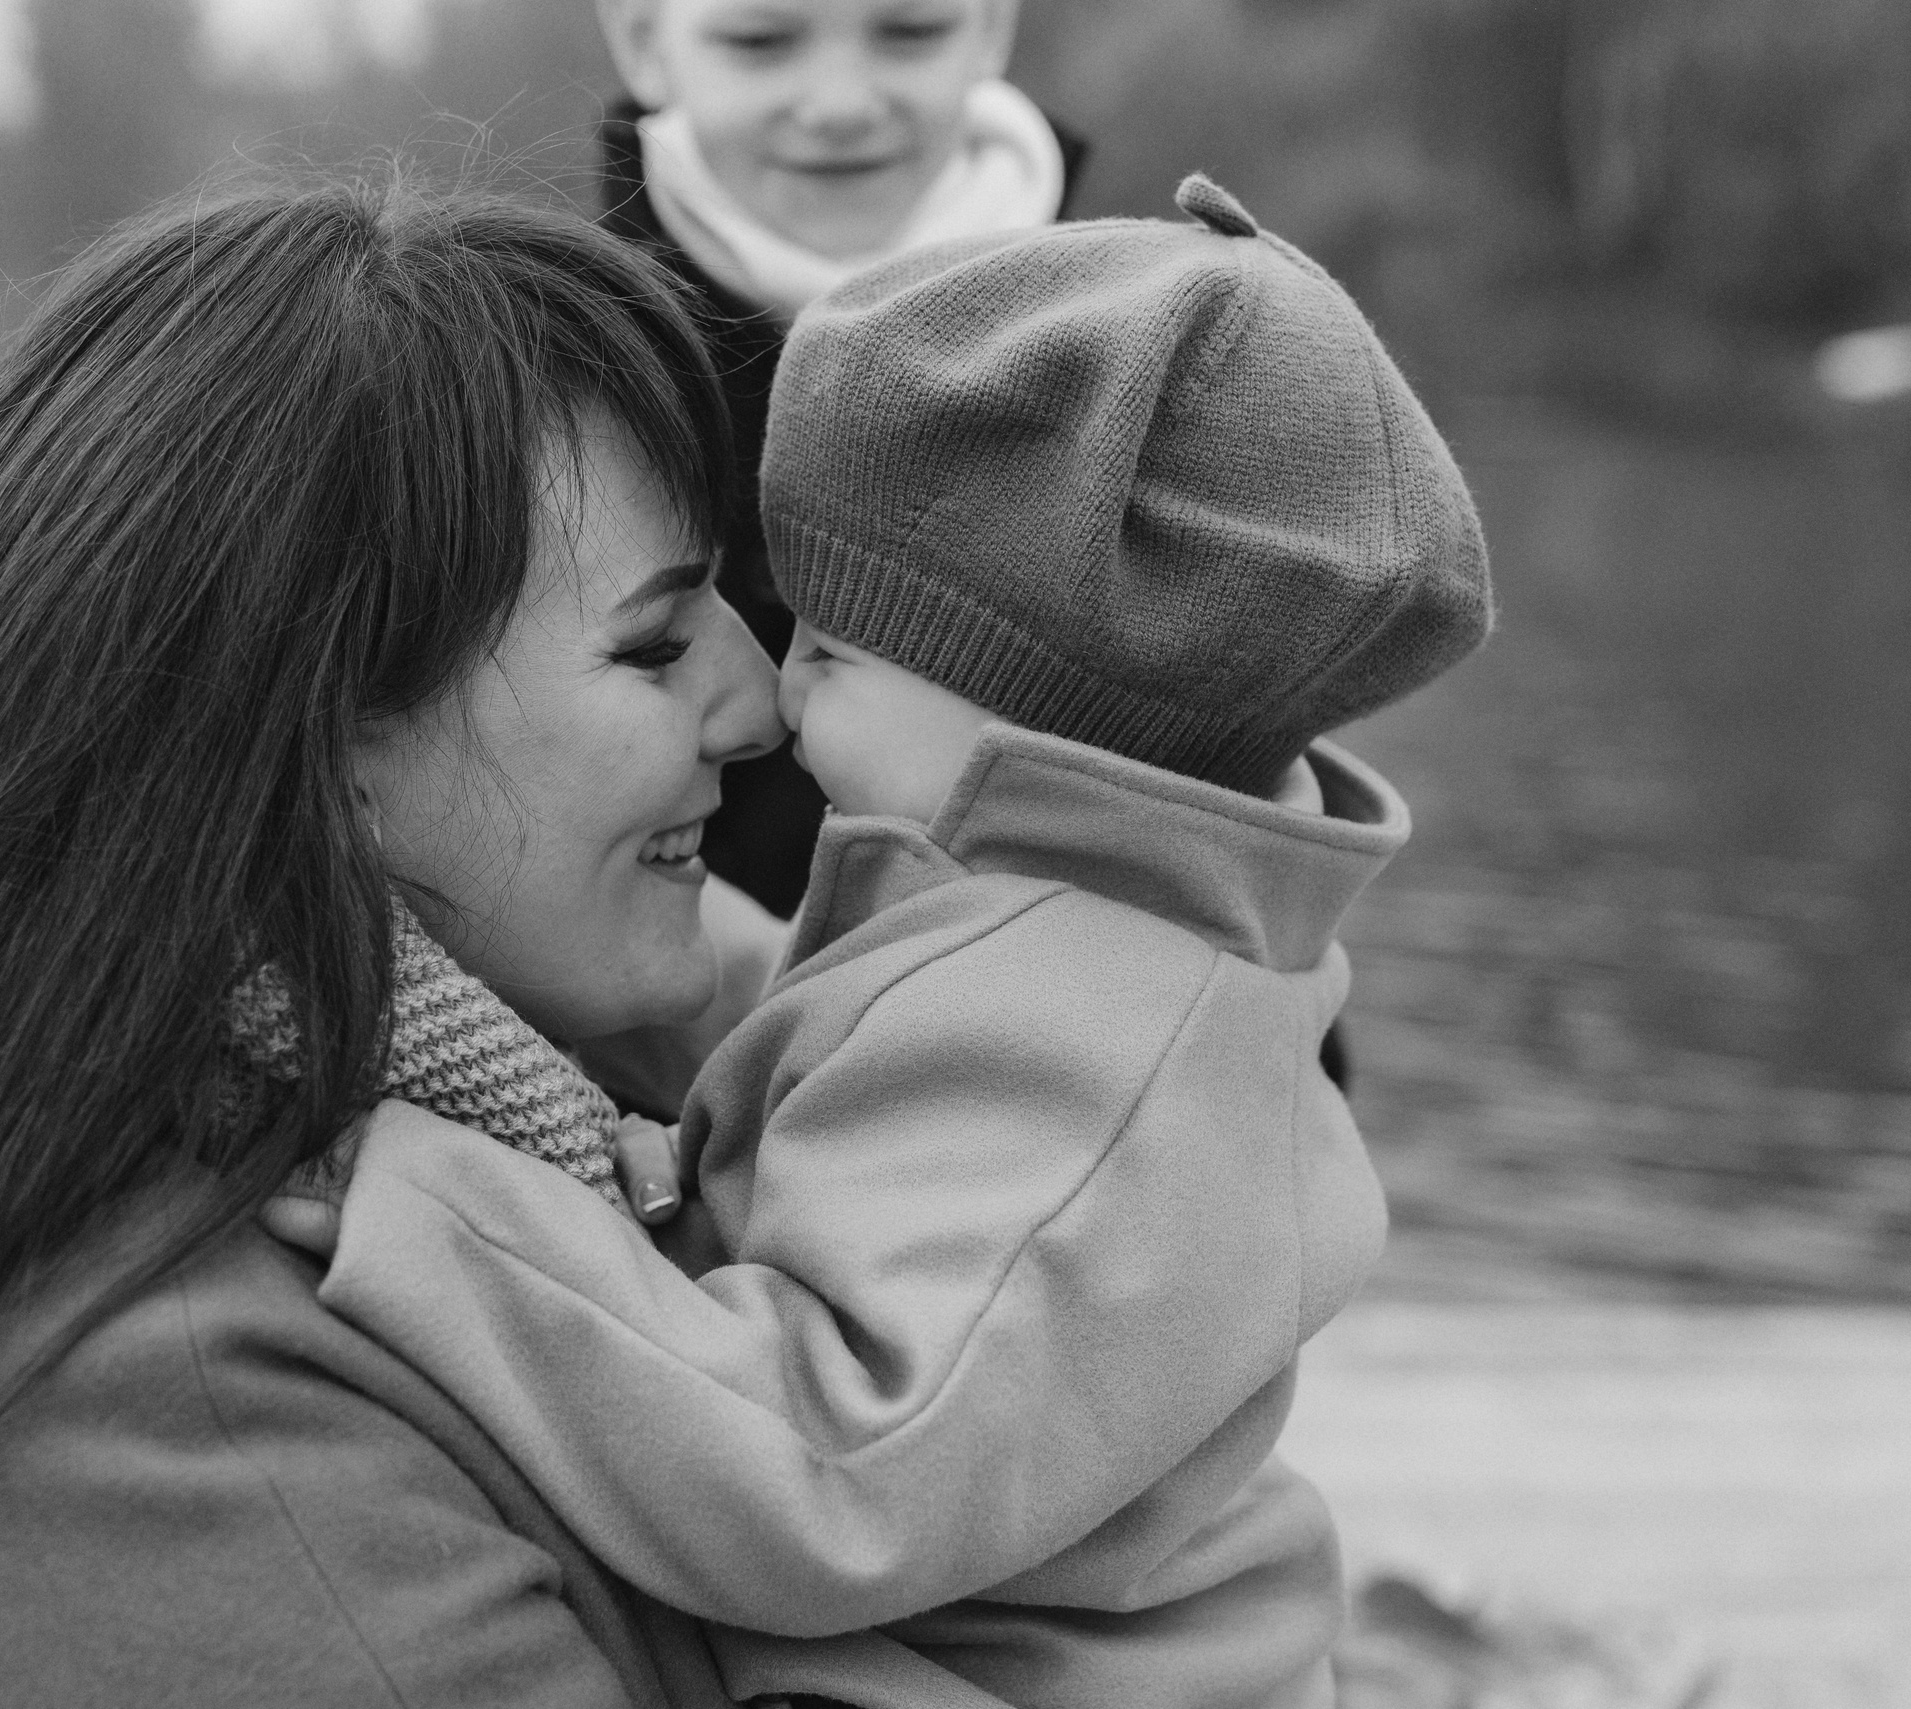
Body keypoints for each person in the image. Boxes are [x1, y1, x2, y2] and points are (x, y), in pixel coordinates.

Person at [0, 178, 795, 1709]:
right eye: (654, 642)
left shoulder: (183, 1121)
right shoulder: (169, 1447)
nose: (761, 704)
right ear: (317, 736)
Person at [281, 177, 1494, 1707]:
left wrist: (413, 1188)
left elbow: (825, 1470)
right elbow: (800, 1030)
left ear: (1037, 708)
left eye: (834, 647)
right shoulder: (1094, 936)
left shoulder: (1094, 1056)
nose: (776, 698)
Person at [592, 0, 1088, 917]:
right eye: (760, 42)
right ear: (640, 41)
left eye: (911, 33)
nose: (841, 104)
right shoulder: (538, 381)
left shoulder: (1153, 352)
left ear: (994, 29)